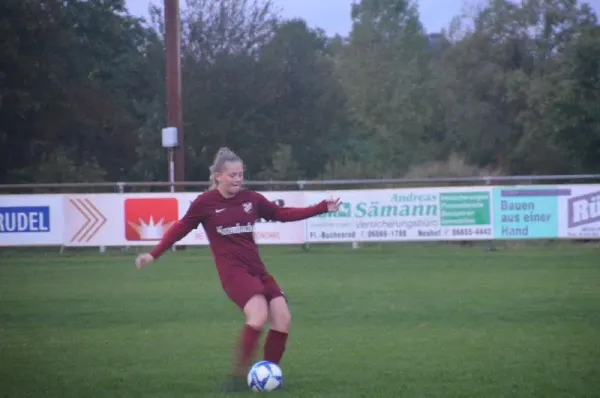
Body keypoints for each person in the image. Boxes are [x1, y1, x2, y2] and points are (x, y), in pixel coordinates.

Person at [135, 147, 341, 392]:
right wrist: (153, 253)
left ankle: (267, 376)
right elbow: (180, 228)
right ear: (218, 176)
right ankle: (237, 378)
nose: (237, 180)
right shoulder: (205, 203)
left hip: (257, 269)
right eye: (232, 175)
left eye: (240, 175)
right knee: (258, 314)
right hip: (233, 273)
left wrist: (320, 207)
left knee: (283, 319)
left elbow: (281, 214)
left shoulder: (251, 199)